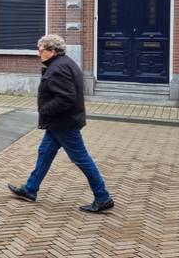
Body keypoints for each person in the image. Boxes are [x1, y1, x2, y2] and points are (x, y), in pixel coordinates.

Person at [8, 34, 114, 213]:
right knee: (44, 152)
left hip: (64, 123)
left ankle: (102, 197)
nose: (38, 54)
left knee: (81, 158)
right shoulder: (64, 63)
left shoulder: (58, 68)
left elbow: (66, 98)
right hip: (59, 123)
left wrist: (44, 110)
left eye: (41, 50)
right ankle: (30, 189)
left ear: (52, 51)